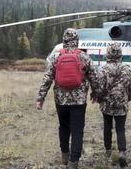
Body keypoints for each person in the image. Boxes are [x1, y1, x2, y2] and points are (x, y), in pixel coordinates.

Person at [36, 28, 97, 169]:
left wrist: (41, 98)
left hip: (61, 100)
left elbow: (47, 78)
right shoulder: (84, 56)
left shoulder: (56, 57)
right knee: (77, 130)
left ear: (64, 40)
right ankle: (73, 161)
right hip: (79, 101)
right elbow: (94, 77)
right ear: (77, 41)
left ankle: (64, 154)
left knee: (63, 127)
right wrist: (96, 94)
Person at [93, 42, 131, 168]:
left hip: (107, 104)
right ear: (120, 54)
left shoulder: (104, 69)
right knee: (120, 128)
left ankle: (108, 151)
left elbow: (99, 88)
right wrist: (126, 98)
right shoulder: (127, 69)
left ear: (108, 53)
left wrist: (100, 99)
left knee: (107, 127)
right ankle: (122, 152)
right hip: (121, 103)